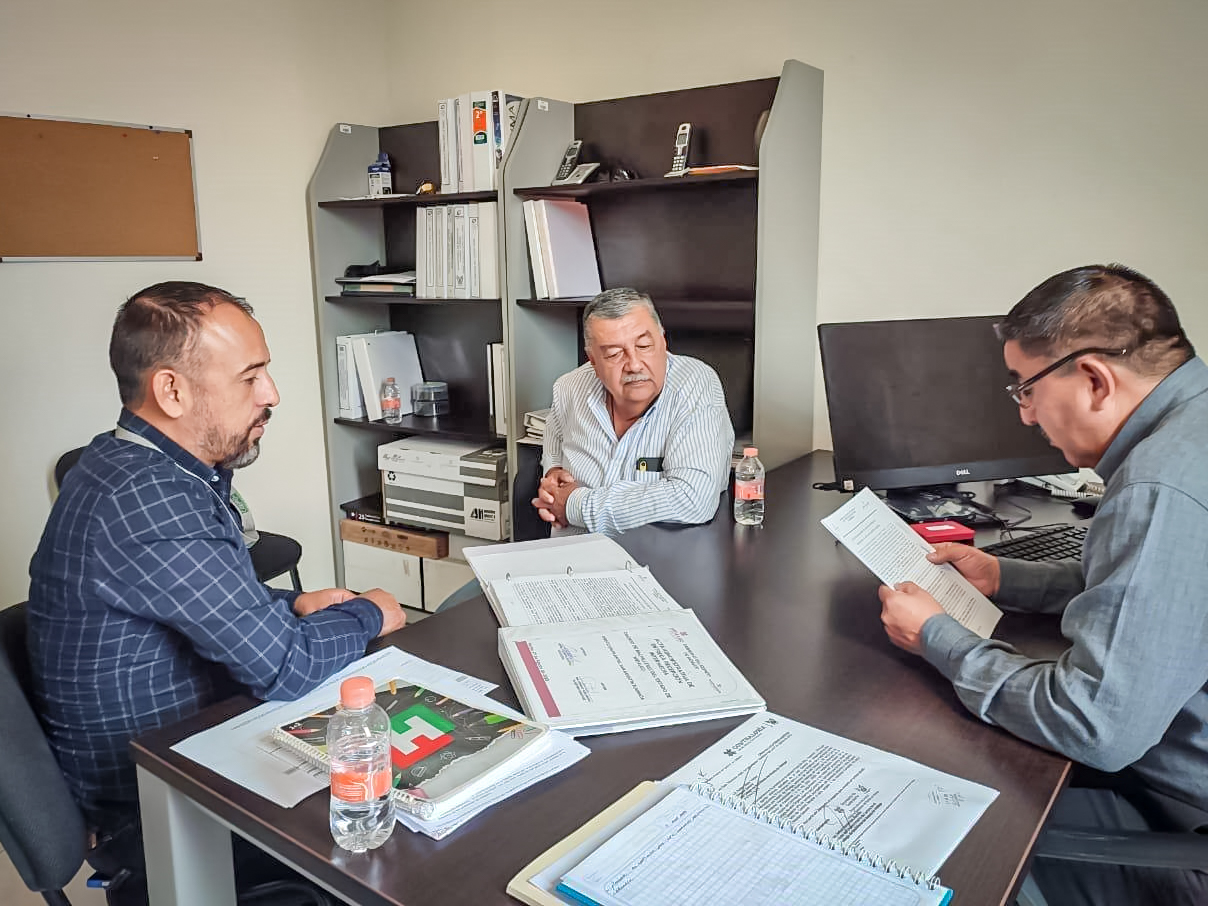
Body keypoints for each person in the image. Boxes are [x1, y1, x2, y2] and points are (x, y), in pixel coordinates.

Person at [27, 281, 406, 904]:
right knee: (400, 825)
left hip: (186, 749)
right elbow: (286, 666)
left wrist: (290, 604)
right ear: (171, 391)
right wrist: (371, 611)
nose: (271, 394)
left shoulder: (127, 463)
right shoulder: (148, 498)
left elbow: (197, 603)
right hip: (162, 807)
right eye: (250, 377)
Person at [876, 264, 1208, 905]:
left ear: (1094, 379)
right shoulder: (1191, 431)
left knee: (930, 823)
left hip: (1181, 820)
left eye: (1025, 389)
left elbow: (1095, 725)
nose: (1026, 416)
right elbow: (1161, 594)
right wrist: (1004, 576)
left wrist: (937, 638)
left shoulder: (1158, 488)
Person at [533, 287, 735, 535]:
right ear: (592, 360)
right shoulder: (569, 388)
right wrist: (553, 472)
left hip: (655, 556)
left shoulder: (695, 384)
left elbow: (693, 498)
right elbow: (554, 435)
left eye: (644, 345)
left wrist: (574, 506)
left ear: (663, 341)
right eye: (614, 354)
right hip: (571, 553)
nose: (634, 364)